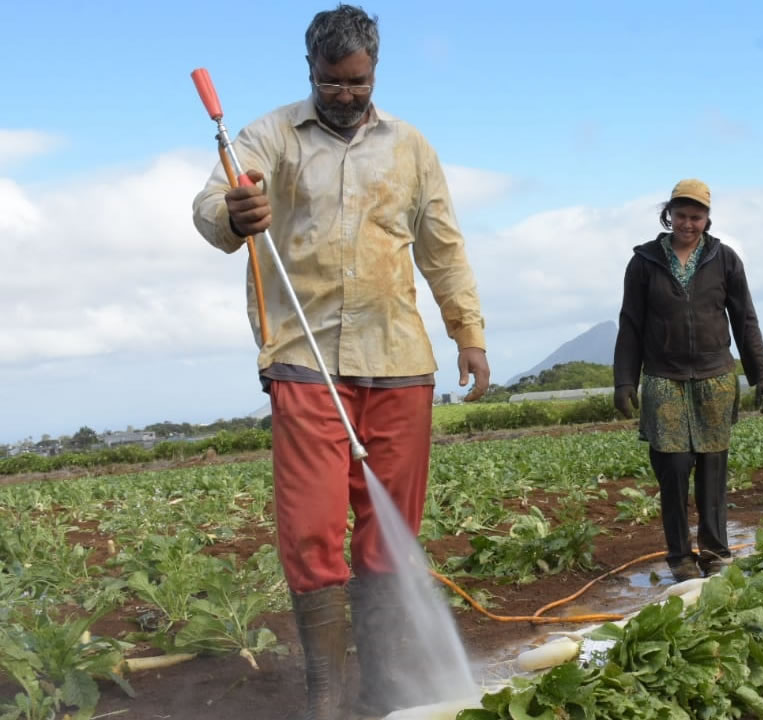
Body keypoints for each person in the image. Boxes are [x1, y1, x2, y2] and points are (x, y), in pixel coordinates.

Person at [191, 5, 489, 719]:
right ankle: (326, 695)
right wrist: (236, 213)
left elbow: (442, 248)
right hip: (305, 360)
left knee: (391, 534)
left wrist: (467, 332)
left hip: (398, 361)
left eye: (358, 82)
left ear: (374, 71)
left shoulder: (411, 146)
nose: (345, 95)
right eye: (332, 81)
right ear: (311, 72)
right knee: (312, 530)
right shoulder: (269, 137)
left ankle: (386, 691)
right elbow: (210, 205)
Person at [612, 179, 763, 583]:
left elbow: (745, 321)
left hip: (714, 378)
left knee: (712, 468)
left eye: (696, 217)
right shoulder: (644, 262)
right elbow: (631, 325)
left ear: (707, 219)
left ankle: (716, 553)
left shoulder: (724, 259)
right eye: (681, 216)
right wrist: (623, 381)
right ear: (668, 215)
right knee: (672, 468)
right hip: (663, 380)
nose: (688, 224)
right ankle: (679, 557)